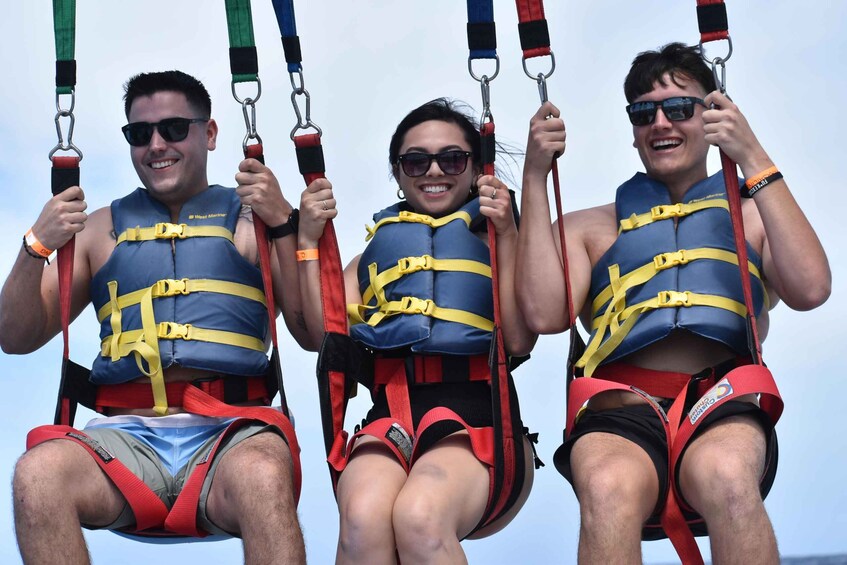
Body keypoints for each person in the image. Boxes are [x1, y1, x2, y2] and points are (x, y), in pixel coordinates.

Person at [517, 43, 830, 563]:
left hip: (720, 400)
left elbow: (812, 289)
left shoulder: (753, 216)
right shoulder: (587, 228)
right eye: (644, 113)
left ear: (710, 115)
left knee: (730, 480)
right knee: (607, 488)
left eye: (679, 108)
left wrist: (751, 155)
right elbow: (546, 316)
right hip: (620, 408)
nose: (660, 122)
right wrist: (533, 176)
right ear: (633, 128)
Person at [0, 70, 308, 564]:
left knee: (264, 476)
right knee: (36, 475)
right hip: (126, 440)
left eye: (173, 129)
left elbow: (311, 333)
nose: (156, 144)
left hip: (230, 436)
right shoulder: (98, 230)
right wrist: (36, 245)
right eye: (140, 134)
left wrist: (286, 224)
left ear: (208, 134)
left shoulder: (254, 219)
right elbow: (14, 337)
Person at [296, 98, 538, 564]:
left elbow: (521, 339)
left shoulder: (501, 235)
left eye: (452, 158)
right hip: (393, 419)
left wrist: (507, 232)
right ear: (398, 171)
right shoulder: (376, 256)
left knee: (419, 516)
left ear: (473, 169)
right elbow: (323, 333)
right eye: (416, 160)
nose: (434, 171)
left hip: (484, 423)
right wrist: (308, 242)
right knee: (363, 519)